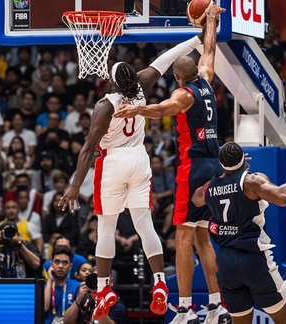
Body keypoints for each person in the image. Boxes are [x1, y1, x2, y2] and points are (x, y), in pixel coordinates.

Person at [59, 9, 226, 319]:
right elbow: (165, 59)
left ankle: (104, 288)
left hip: (114, 163)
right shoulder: (141, 88)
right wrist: (198, 36)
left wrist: (73, 187)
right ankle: (160, 282)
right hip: (140, 159)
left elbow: (86, 150)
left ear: (111, 80)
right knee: (145, 224)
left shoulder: (103, 106)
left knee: (106, 226)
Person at [114, 4, 229, 322]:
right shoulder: (206, 78)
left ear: (177, 77)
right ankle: (216, 303)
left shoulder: (184, 95)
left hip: (192, 169)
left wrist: (136, 110)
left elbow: (162, 109)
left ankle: (185, 308)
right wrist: (212, 22)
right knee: (204, 236)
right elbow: (209, 49)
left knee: (183, 238)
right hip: (214, 166)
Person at [191, 142, 286, 324]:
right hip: (253, 259)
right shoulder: (252, 181)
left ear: (221, 163)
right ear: (244, 161)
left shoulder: (210, 187)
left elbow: (195, 199)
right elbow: (283, 196)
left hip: (226, 263)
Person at [44, 246, 81, 324]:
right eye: (57, 262)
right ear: (51, 265)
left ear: (70, 266)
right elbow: (44, 308)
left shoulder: (77, 287)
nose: (60, 266)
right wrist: (50, 279)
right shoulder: (44, 287)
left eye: (65, 263)